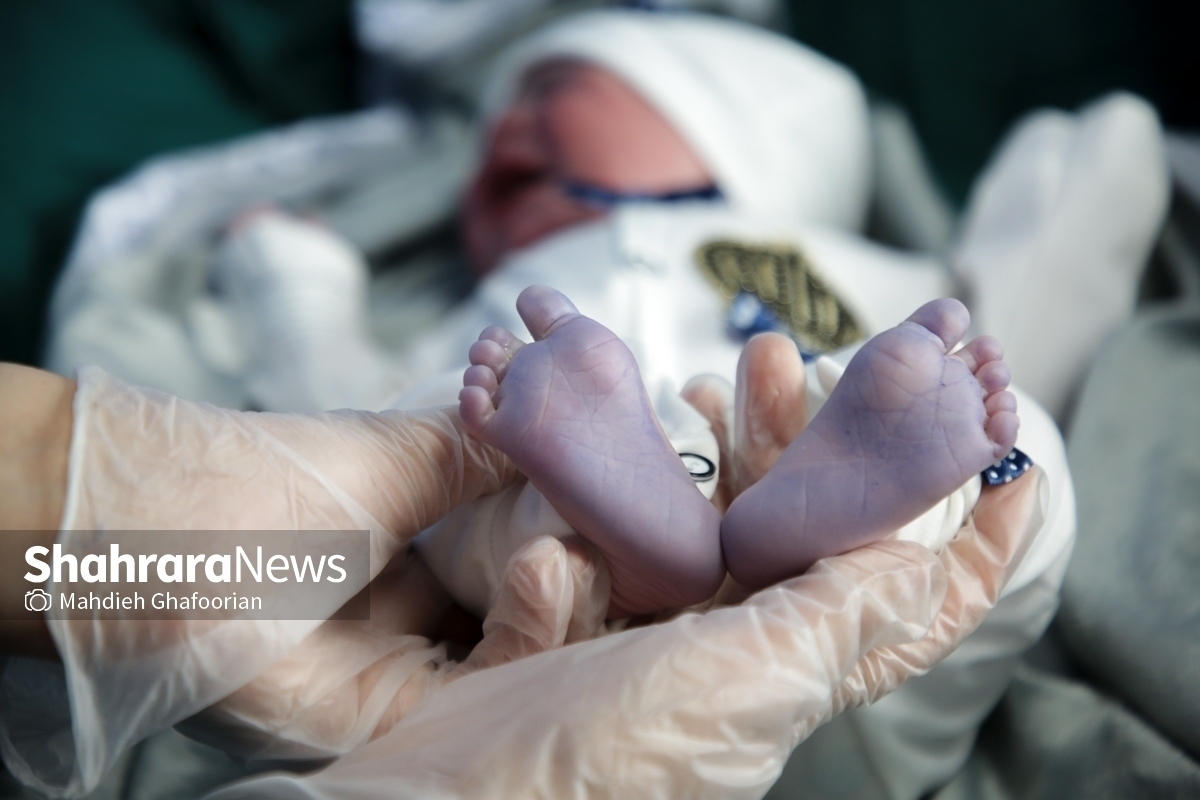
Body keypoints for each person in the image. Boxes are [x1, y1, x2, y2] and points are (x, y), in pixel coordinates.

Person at [0, 360, 1046, 800]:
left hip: (675, 462)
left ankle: (802, 510)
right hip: (470, 569)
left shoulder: (802, 215)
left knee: (1002, 472)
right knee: (988, 505)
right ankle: (763, 524)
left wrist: (111, 547)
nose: (530, 117)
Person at [458, 285, 1019, 616]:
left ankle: (613, 551)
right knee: (452, 452)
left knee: (471, 488)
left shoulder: (858, 261)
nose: (522, 119)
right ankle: (852, 520)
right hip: (650, 440)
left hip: (794, 422)